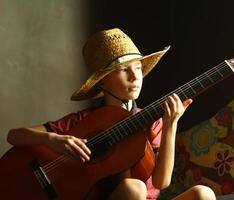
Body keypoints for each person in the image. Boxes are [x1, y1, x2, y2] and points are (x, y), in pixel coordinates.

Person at [7, 28, 216, 200]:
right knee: (133, 189)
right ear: (103, 81)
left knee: (203, 193)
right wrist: (53, 139)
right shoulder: (84, 121)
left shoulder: (152, 123)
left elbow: (161, 183)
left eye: (138, 68)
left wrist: (171, 125)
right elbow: (14, 136)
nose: (135, 77)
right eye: (124, 70)